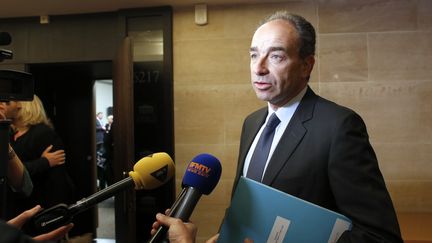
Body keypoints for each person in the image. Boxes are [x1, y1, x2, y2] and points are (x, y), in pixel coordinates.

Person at [211, 11, 402, 243]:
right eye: (254, 55)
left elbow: (380, 236)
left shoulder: (339, 127)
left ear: (306, 65)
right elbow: (245, 207)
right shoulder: (251, 123)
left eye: (276, 57)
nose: (259, 68)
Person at [8, 95, 77, 228]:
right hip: (18, 204)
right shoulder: (11, 135)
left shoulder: (43, 134)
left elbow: (57, 178)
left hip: (39, 204)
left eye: (16, 101)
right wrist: (43, 161)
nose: (14, 106)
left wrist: (56, 213)